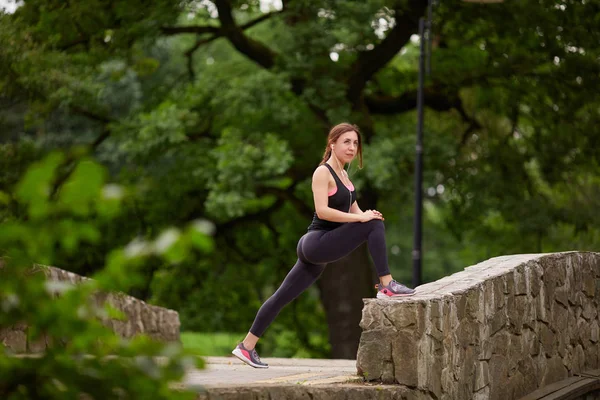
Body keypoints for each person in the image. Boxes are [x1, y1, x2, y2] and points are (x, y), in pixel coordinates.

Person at [232, 122, 416, 368]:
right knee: (373, 225)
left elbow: (355, 211)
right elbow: (323, 211)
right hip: (315, 243)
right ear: (332, 144)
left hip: (321, 251)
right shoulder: (323, 172)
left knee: (280, 297)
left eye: (355, 143)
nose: (352, 147)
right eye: (346, 142)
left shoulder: (345, 175)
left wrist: (366, 214)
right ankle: (386, 285)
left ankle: (246, 347)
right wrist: (362, 219)